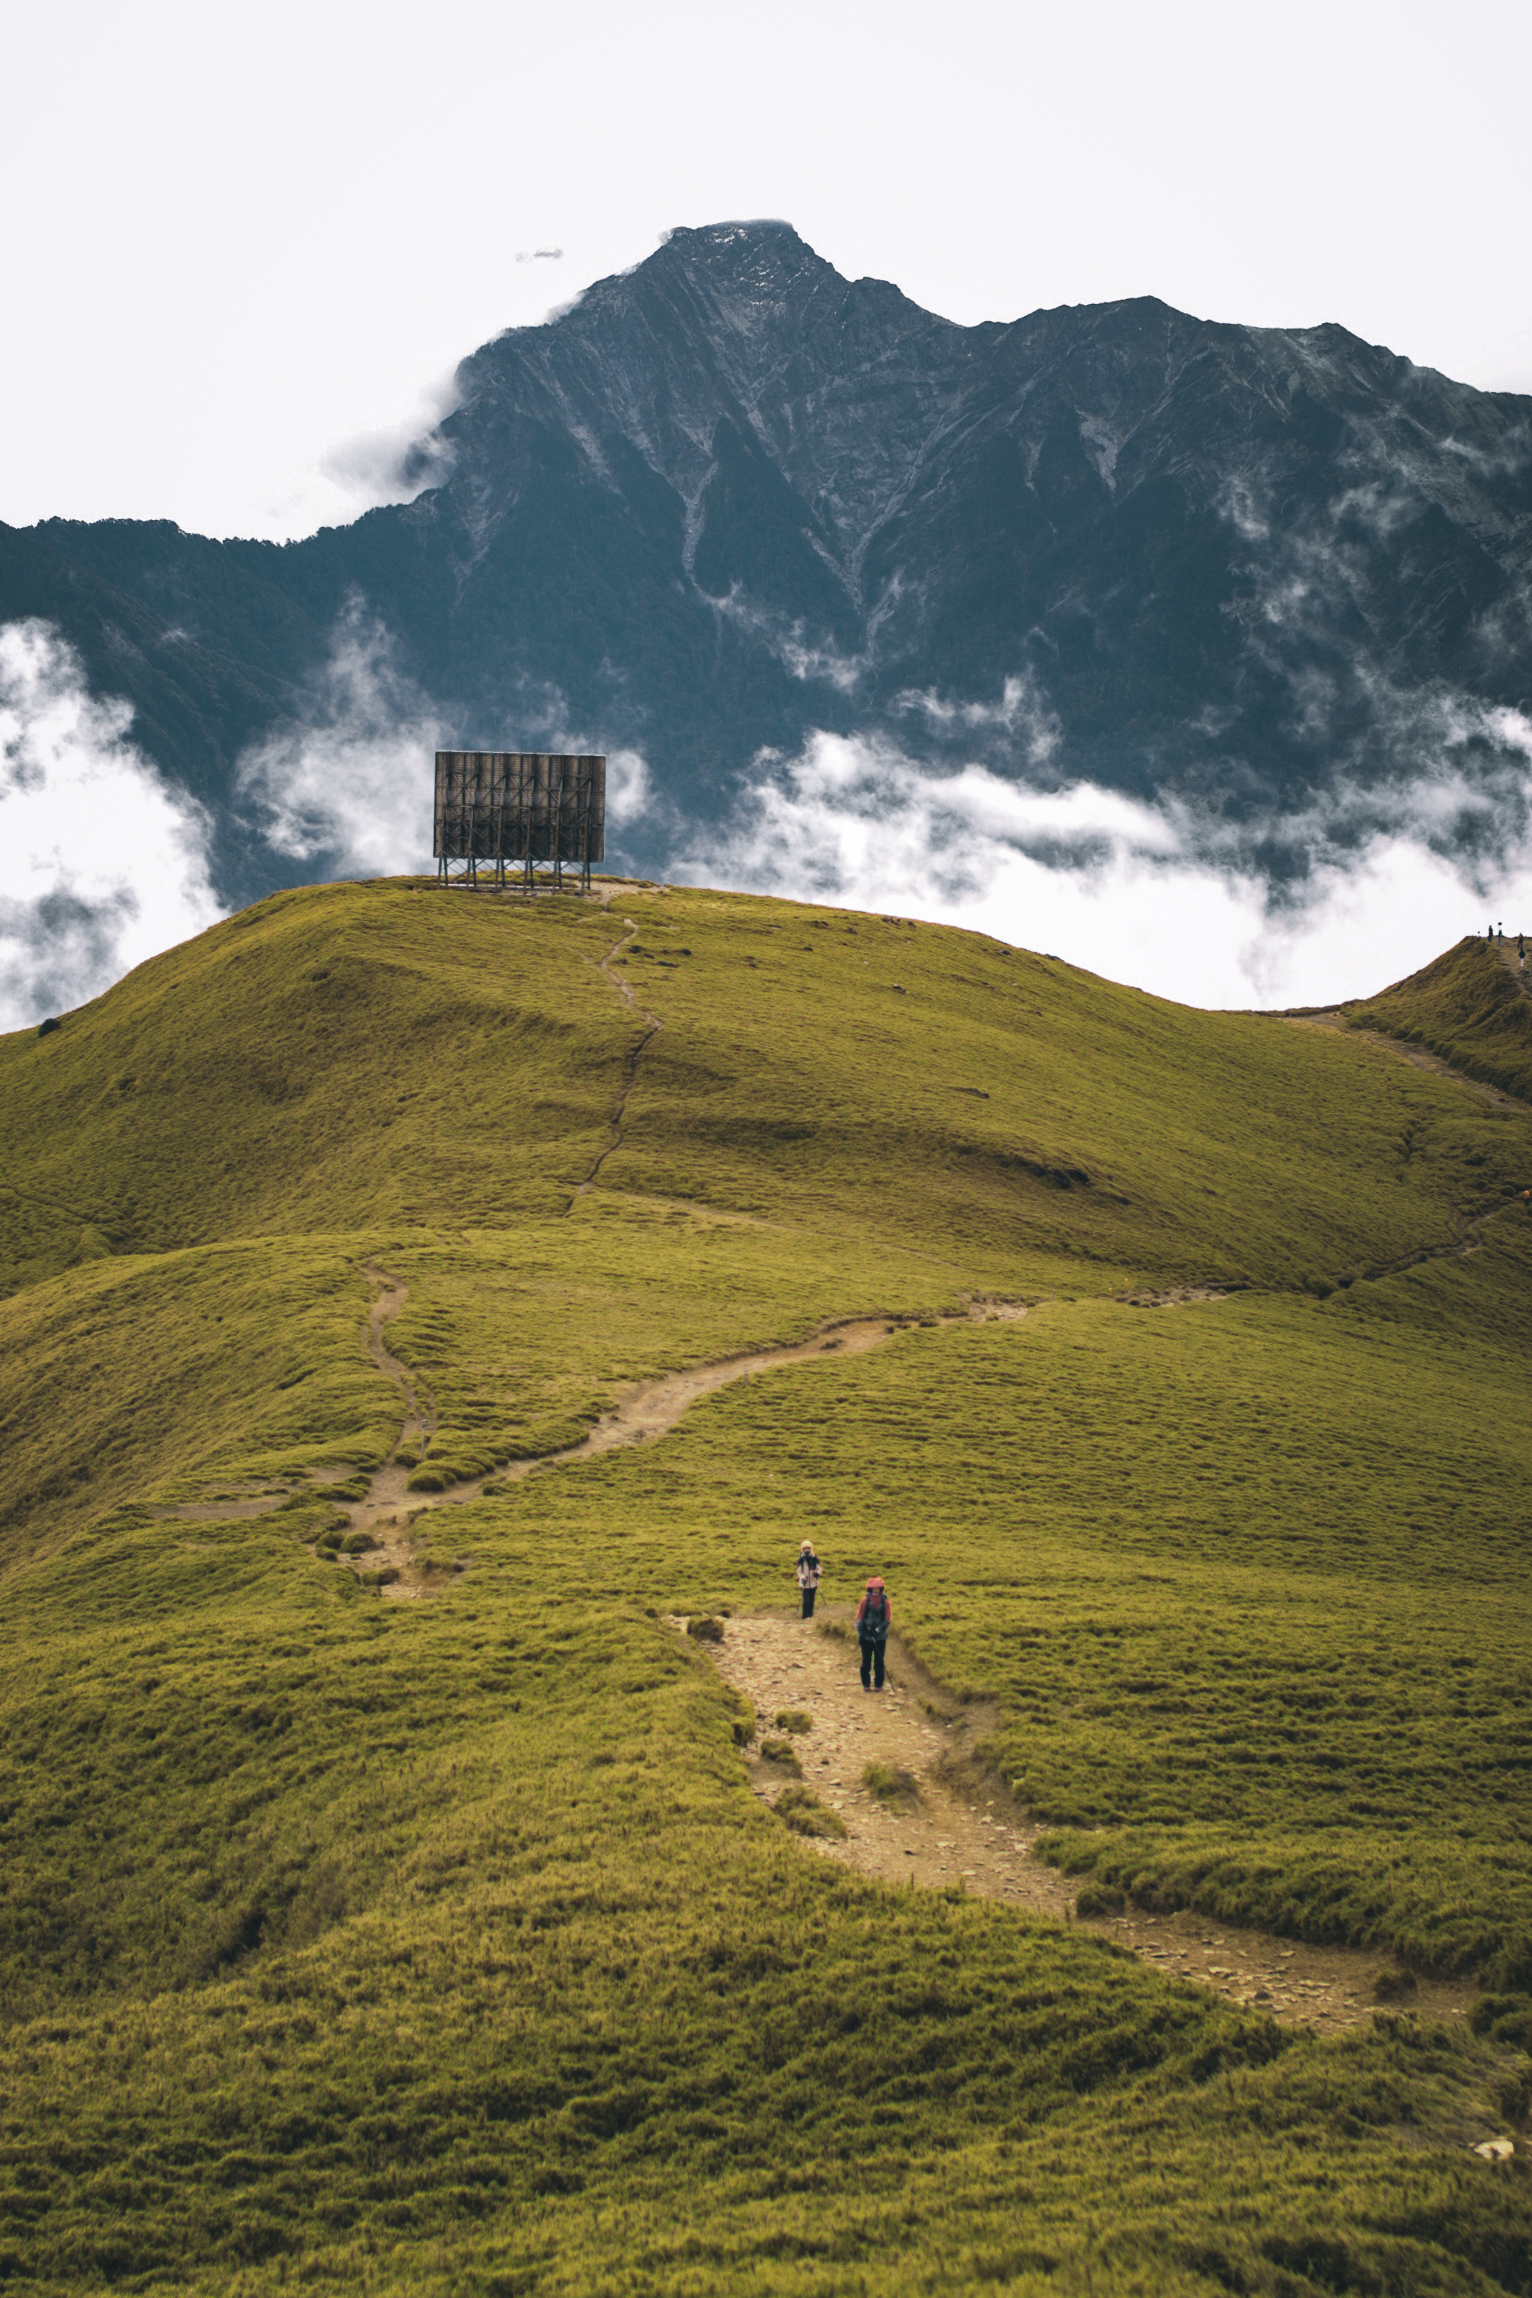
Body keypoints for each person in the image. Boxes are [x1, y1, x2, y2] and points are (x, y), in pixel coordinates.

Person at [856, 1576, 891, 1690]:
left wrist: (878, 1630)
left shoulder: (885, 1602)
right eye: (873, 1589)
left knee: (879, 1662)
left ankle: (878, 1685)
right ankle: (866, 1684)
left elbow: (887, 1620)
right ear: (869, 1589)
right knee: (866, 1661)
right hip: (866, 1637)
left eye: (878, 1589)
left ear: (881, 1589)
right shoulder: (865, 1601)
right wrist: (862, 1633)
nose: (875, 1591)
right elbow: (860, 1618)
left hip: (880, 1638)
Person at [795, 1539, 823, 1619]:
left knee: (811, 1601)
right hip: (804, 1584)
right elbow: (799, 1571)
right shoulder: (801, 1560)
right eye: (805, 1549)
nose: (807, 1550)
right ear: (802, 1549)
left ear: (811, 1549)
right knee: (806, 1601)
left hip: (813, 1583)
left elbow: (819, 1569)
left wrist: (817, 1573)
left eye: (808, 1548)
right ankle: (805, 1616)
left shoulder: (814, 1559)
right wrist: (802, 1577)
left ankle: (810, 1616)